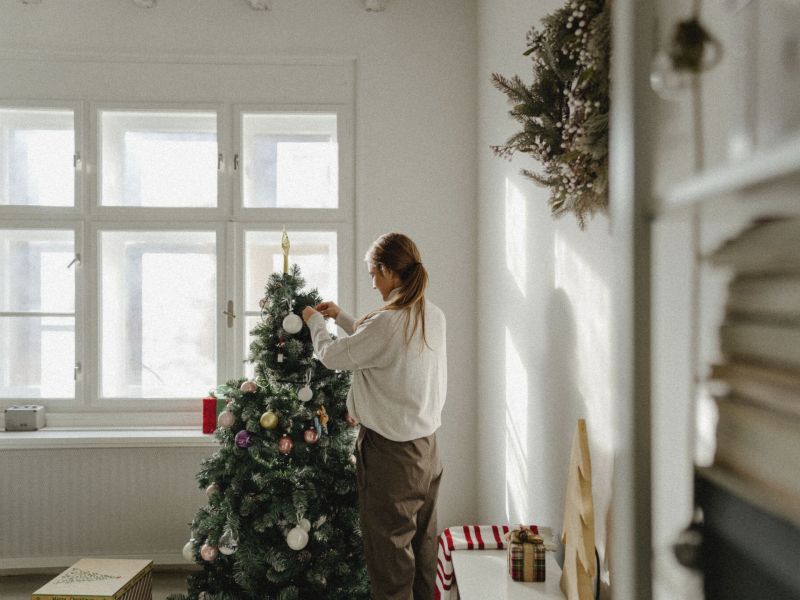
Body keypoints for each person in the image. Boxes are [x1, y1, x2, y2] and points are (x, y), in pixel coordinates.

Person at [302, 232, 447, 600]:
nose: (372, 283)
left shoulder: (388, 322)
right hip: (427, 452)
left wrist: (315, 324)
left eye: (374, 273)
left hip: (391, 457)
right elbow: (384, 348)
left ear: (389, 272)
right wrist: (343, 318)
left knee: (390, 561)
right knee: (423, 549)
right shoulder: (431, 315)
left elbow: (334, 358)